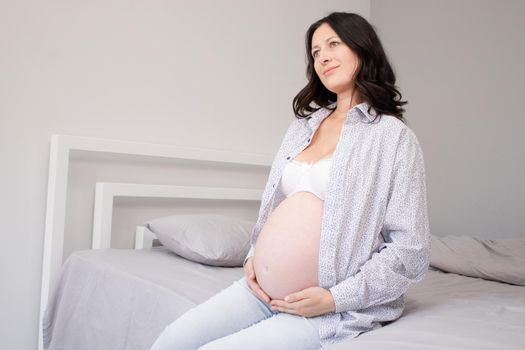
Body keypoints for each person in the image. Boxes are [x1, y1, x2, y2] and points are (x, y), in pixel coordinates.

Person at [150, 11, 430, 350]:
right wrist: (254, 257)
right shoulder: (302, 128)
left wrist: (334, 299)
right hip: (258, 291)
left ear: (362, 48)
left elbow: (409, 250)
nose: (323, 56)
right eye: (315, 52)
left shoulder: (393, 138)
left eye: (333, 44)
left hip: (331, 308)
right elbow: (273, 209)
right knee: (169, 342)